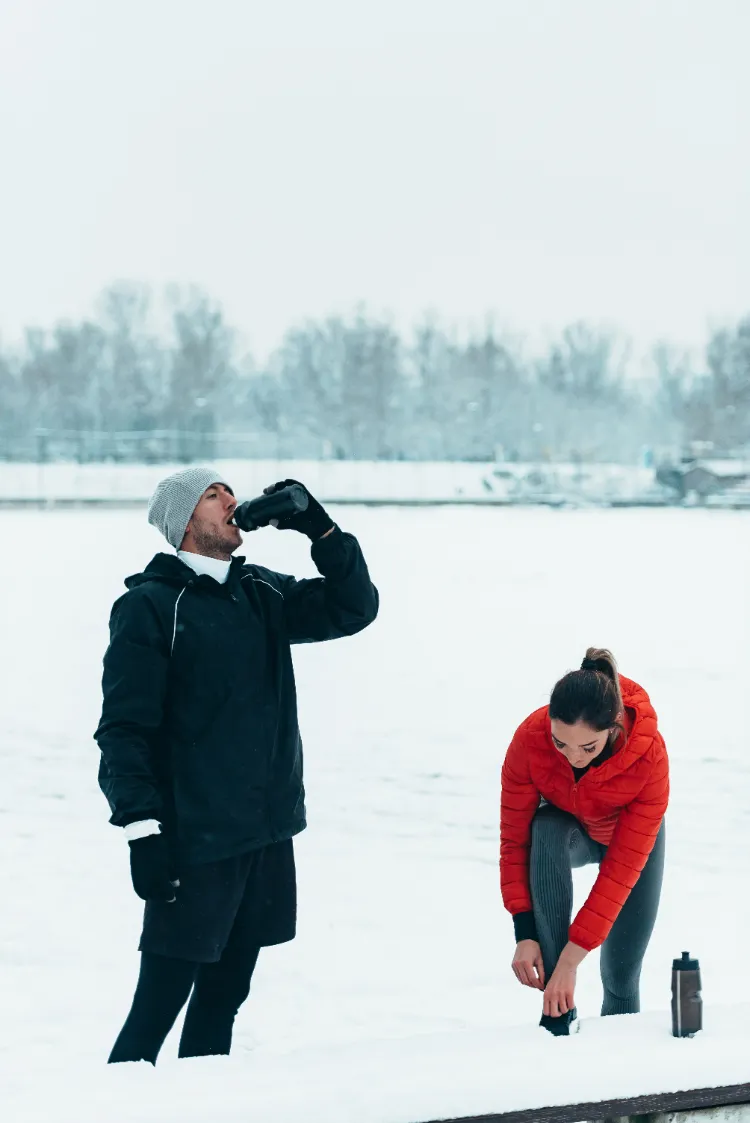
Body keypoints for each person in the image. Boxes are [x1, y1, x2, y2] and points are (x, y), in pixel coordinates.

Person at [95, 468, 379, 1064]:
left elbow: (355, 607)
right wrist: (141, 831)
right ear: (184, 523)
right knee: (157, 1006)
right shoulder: (149, 607)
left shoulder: (262, 593)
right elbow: (124, 729)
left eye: (228, 490)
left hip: (266, 834)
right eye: (211, 494)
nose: (230, 499)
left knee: (225, 998)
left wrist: (316, 526)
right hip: (193, 841)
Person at [500, 648, 669, 1035]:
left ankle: (619, 1074)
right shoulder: (530, 739)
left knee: (621, 978)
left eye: (588, 748)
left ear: (613, 728)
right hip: (571, 836)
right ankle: (558, 1015)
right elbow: (514, 841)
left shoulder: (649, 755)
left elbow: (621, 871)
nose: (574, 757)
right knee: (543, 827)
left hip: (630, 847)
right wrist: (525, 933)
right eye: (562, 744)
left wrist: (575, 959)